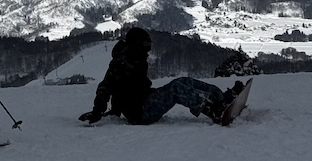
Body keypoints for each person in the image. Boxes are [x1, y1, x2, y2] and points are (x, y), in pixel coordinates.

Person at [78, 27, 245, 126]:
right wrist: (97, 111)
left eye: (149, 45)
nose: (147, 50)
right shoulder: (121, 63)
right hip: (140, 112)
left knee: (181, 81)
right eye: (145, 45)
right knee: (176, 89)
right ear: (135, 45)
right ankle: (214, 111)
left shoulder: (136, 60)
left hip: (144, 100)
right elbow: (106, 87)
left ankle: (221, 99)